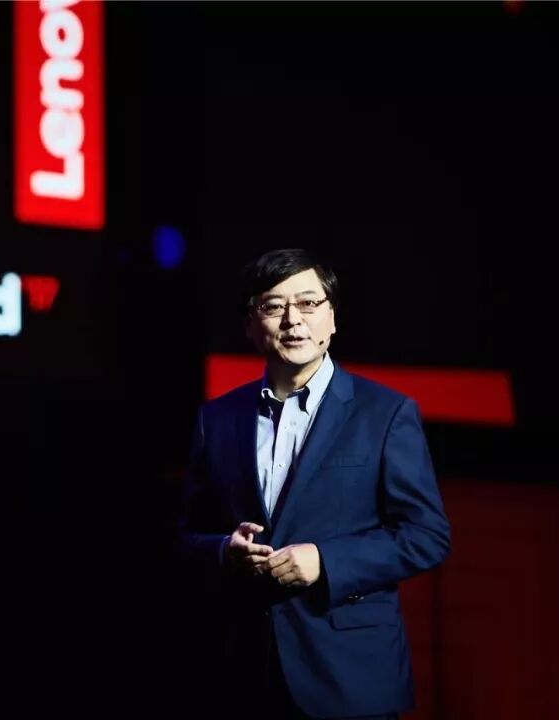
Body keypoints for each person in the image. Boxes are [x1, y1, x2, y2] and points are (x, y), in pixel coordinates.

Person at [176, 248, 450, 720]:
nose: (293, 320)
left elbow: (427, 535)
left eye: (308, 303)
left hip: (348, 676)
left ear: (332, 318)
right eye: (273, 306)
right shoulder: (216, 419)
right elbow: (185, 537)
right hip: (244, 675)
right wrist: (223, 551)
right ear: (249, 324)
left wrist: (325, 561)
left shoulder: (385, 413)